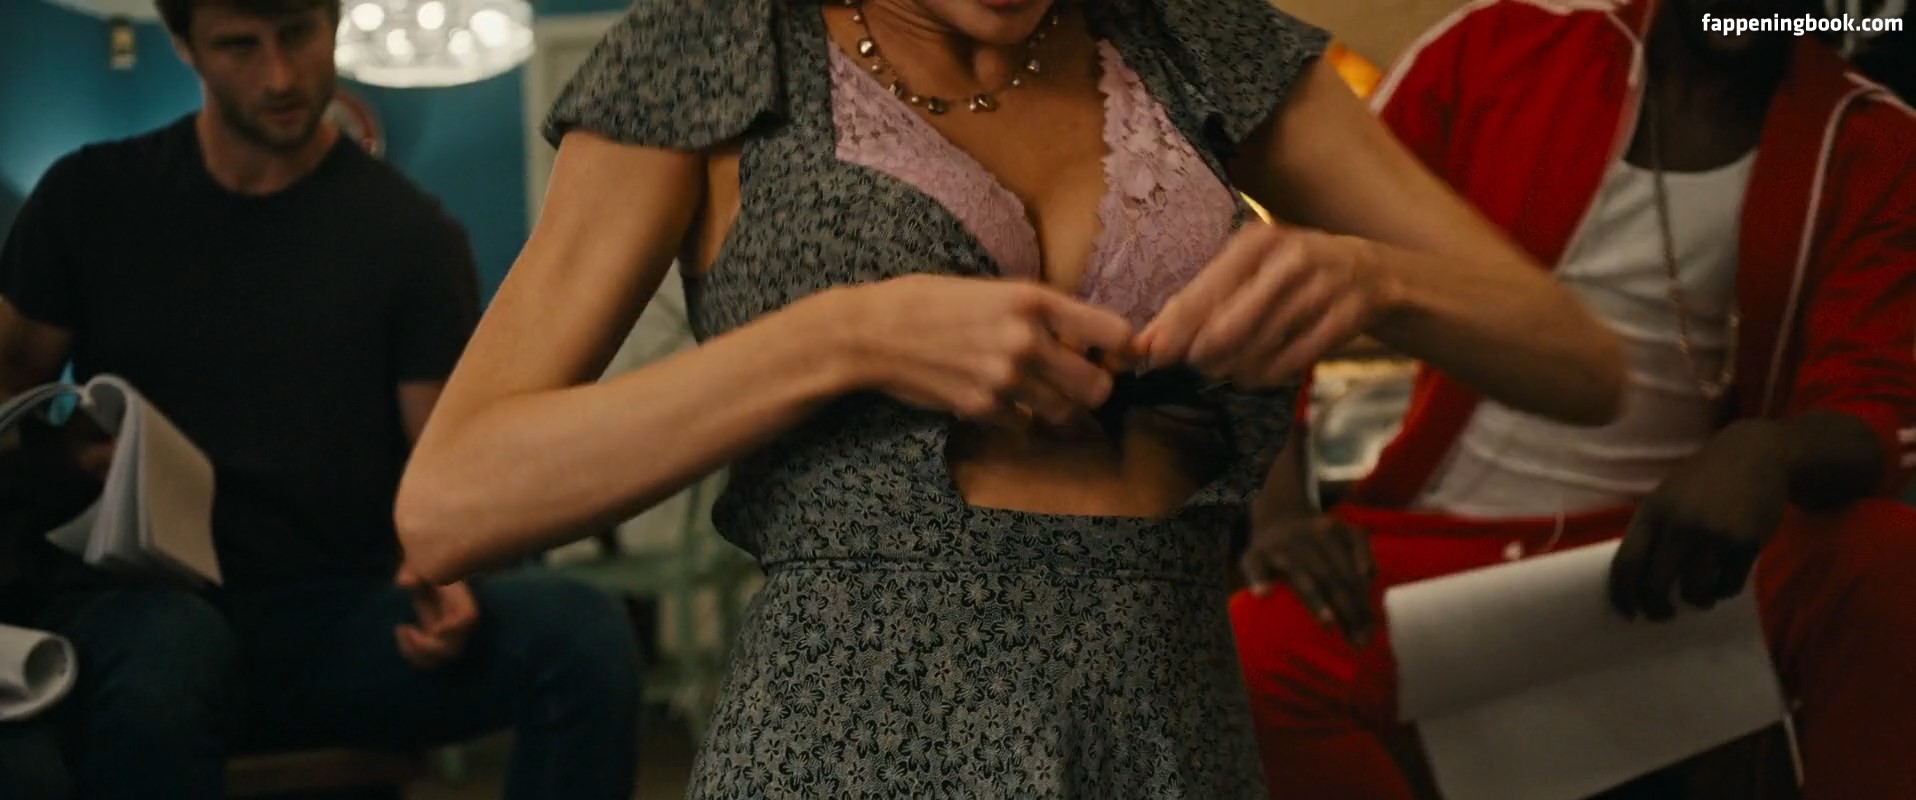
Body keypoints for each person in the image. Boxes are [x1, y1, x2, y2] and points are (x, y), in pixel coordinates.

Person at [394, 0, 1628, 795]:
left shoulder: (1194, 41)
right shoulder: (712, 49)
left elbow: (1580, 364)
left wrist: (1372, 276)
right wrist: (842, 336)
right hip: (851, 738)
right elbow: (451, 502)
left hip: (1172, 725)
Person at [1228, 0, 1916, 797]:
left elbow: (1876, 402)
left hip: (1669, 557)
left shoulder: (1874, 141)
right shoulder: (1497, 48)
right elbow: (1305, 266)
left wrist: (1769, 451)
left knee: (1884, 560)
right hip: (1440, 540)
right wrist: (1282, 512)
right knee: (1245, 658)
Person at [0, 1, 641, 797]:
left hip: (330, 616)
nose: (279, 76)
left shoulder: (409, 234)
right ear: (185, 45)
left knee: (583, 635)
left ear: (334, 22)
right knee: (170, 654)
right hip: (138, 605)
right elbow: (11, 389)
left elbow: (444, 455)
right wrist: (65, 455)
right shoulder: (90, 196)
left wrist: (441, 563)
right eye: (240, 46)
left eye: (298, 33)